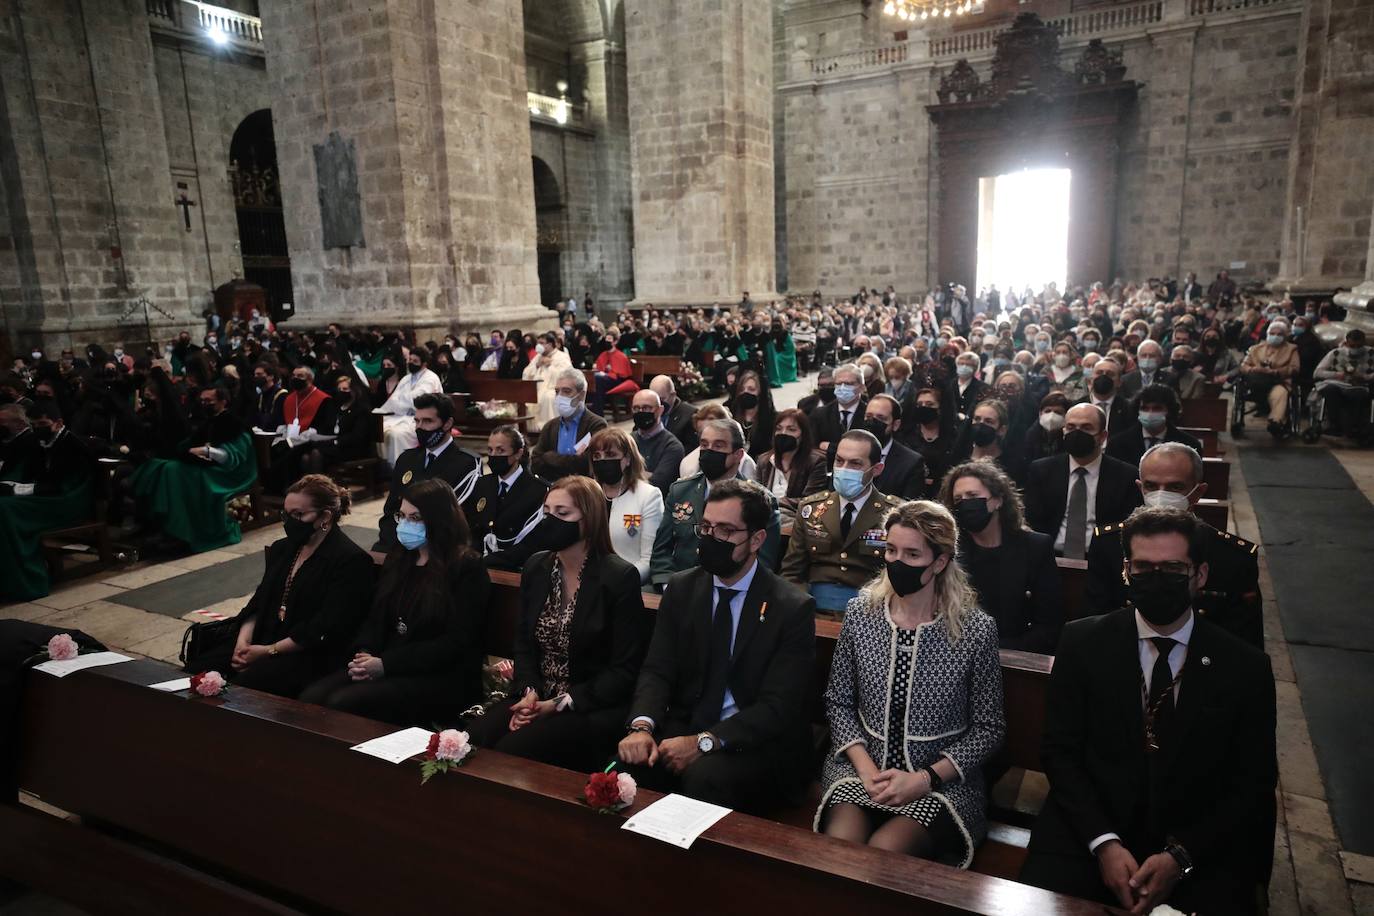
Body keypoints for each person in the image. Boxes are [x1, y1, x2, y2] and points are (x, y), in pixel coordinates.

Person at [1022, 507, 1277, 915]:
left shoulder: (1243, 666)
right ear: (1126, 571)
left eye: (1173, 568)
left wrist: (1180, 856)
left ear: (1201, 575)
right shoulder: (1083, 642)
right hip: (1089, 829)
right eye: (1143, 567)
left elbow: (1254, 780)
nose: (1157, 579)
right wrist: (1104, 842)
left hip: (1195, 840)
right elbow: (1060, 752)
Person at [817, 500, 1005, 866]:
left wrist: (923, 779)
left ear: (940, 561)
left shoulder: (975, 630)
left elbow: (989, 728)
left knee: (885, 853)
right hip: (861, 771)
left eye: (912, 554)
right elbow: (838, 701)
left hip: (939, 784)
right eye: (890, 550)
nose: (896, 562)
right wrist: (867, 770)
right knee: (842, 852)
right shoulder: (861, 612)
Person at [618, 479, 815, 811]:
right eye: (706, 527)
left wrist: (705, 742)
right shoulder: (682, 588)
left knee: (705, 778)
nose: (712, 539)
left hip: (754, 739)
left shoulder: (790, 607)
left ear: (756, 539)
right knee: (630, 765)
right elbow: (658, 669)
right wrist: (642, 726)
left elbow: (778, 706)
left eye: (725, 531)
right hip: (691, 720)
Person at [468, 476, 649, 771]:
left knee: (509, 753)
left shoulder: (618, 578)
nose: (550, 520)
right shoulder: (537, 566)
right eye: (547, 511)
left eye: (562, 514)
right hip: (538, 696)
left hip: (587, 705)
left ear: (588, 520)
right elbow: (524, 643)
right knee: (472, 740)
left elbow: (624, 670)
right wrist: (529, 692)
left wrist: (557, 704)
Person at [300, 479, 492, 724]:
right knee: (312, 698)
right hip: (388, 663)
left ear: (438, 520)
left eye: (415, 518)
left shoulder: (466, 567)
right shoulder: (401, 557)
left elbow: (457, 642)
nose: (405, 524)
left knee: (344, 703)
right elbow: (376, 616)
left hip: (440, 676)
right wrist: (364, 652)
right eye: (402, 516)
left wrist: (386, 664)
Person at [210, 476, 375, 697]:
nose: (290, 522)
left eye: (299, 515)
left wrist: (268, 651)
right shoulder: (283, 549)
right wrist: (243, 641)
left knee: (244, 687)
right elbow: (260, 601)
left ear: (325, 516)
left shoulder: (349, 560)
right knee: (203, 665)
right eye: (286, 515)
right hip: (267, 637)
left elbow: (326, 626)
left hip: (309, 652)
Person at [1086, 442, 1261, 646]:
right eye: (1151, 486)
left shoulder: (1233, 558)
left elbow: (1244, 646)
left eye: (1175, 487)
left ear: (1198, 492)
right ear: (1140, 488)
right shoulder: (1109, 544)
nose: (1161, 495)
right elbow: (1096, 622)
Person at [940, 461, 1062, 654]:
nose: (965, 503)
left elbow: (1049, 626)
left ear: (997, 500)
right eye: (958, 500)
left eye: (973, 496)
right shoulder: (950, 552)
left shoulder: (1035, 547)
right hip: (960, 655)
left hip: (1019, 657)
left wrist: (1001, 653)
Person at [781, 431, 904, 614]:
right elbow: (792, 572)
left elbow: (897, 577)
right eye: (839, 461)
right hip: (812, 604)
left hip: (869, 607)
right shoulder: (811, 508)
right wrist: (800, 609)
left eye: (855, 463)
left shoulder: (894, 514)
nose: (844, 469)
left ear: (876, 469)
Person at [652, 418, 781, 589]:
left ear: (738, 455)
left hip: (732, 588)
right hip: (679, 583)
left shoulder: (760, 500)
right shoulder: (680, 490)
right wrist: (668, 583)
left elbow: (763, 561)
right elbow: (661, 549)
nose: (709, 451)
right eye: (704, 445)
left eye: (718, 446)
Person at [130, 384, 258, 553]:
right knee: (161, 467)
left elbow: (234, 457)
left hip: (228, 474)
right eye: (202, 401)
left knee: (173, 471)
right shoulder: (209, 422)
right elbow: (190, 442)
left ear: (223, 401)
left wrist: (207, 451)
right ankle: (164, 525)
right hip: (206, 467)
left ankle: (183, 531)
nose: (204, 404)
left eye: (209, 401)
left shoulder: (234, 424)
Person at [0, 402, 96, 602]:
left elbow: (66, 486)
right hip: (46, 497)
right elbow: (32, 474)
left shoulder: (74, 445)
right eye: (34, 425)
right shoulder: (38, 442)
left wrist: (19, 489)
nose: (38, 429)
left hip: (67, 502)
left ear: (58, 422)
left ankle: (27, 580)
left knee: (5, 509)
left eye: (42, 423)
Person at [1023, 403, 1142, 560]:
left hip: (1103, 559)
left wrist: (1101, 537)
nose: (1077, 433)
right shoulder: (1042, 470)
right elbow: (1034, 519)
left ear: (1103, 436)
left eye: (1086, 428)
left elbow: (1124, 524)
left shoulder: (1126, 475)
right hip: (1049, 556)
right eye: (1071, 427)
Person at [374, 393, 479, 552]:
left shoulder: (465, 463)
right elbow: (391, 511)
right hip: (399, 544)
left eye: (428, 421)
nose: (419, 427)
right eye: (417, 420)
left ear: (447, 423)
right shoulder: (406, 459)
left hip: (439, 549)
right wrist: (391, 545)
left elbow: (456, 520)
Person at [464, 425, 549, 569]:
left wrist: (490, 560)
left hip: (516, 567)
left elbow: (532, 542)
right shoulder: (482, 484)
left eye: (500, 450)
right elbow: (472, 527)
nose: (494, 455)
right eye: (490, 450)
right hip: (478, 566)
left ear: (518, 453)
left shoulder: (537, 490)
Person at [589, 427, 664, 584]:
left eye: (610, 455)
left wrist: (620, 581)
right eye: (597, 456)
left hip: (626, 582)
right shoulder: (587, 494)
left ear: (628, 459)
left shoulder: (648, 496)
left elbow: (648, 560)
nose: (602, 460)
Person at [266, 366, 338, 492]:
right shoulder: (290, 398)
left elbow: (326, 427)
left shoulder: (324, 400)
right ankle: (272, 489)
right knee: (272, 451)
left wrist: (298, 439)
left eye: (300, 376)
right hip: (292, 439)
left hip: (315, 441)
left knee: (290, 454)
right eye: (293, 375)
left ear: (310, 379)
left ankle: (289, 490)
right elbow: (284, 422)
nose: (295, 378)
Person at [530, 368, 607, 481]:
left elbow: (587, 463)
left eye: (566, 391)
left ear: (581, 395)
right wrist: (570, 461)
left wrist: (550, 457)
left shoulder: (596, 425)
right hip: (554, 487)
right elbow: (536, 462)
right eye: (557, 391)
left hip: (584, 488)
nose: (560, 396)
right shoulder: (550, 426)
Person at [753, 407, 828, 521]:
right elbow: (756, 494)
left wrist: (774, 501)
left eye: (791, 430)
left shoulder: (816, 461)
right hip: (765, 517)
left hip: (797, 518)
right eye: (779, 429)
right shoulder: (764, 460)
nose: (783, 433)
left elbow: (811, 500)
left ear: (803, 435)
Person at [1106, 385, 1202, 468]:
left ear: (1169, 411)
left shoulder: (1189, 445)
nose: (1150, 413)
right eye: (1144, 408)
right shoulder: (1117, 444)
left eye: (1157, 408)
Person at [377, 347, 443, 466]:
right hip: (401, 416)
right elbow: (394, 399)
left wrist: (403, 402)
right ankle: (383, 466)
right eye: (410, 360)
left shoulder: (430, 378)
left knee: (395, 434)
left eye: (415, 361)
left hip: (422, 420)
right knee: (378, 428)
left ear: (424, 364)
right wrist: (402, 403)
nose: (411, 363)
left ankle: (400, 466)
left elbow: (418, 401)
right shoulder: (406, 378)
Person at [1239, 319, 1299, 437]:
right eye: (1272, 333)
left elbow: (1294, 368)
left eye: (1279, 334)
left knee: (1280, 394)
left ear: (1285, 335)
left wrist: (1275, 371)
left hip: (1278, 381)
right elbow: (1243, 365)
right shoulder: (1255, 348)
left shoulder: (1292, 349)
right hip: (1257, 381)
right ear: (1268, 334)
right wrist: (1253, 369)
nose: (1275, 336)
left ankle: (1276, 422)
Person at [1312, 328, 1374, 441]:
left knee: (1358, 395)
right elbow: (1318, 372)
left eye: (1358, 346)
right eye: (1352, 346)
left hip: (1360, 385)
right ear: (1346, 343)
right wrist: (1336, 374)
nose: (1355, 349)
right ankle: (1334, 425)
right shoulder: (1336, 353)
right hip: (1337, 383)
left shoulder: (1371, 354)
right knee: (1330, 391)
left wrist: (1364, 377)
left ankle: (1356, 427)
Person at [864, 395, 926, 500]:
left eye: (881, 418)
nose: (873, 422)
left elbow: (909, 507)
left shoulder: (911, 462)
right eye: (869, 417)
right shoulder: (848, 452)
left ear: (895, 425)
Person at [677, 403, 758, 480]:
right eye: (702, 433)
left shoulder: (746, 462)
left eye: (718, 445)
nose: (710, 449)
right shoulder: (687, 463)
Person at [629, 388, 685, 495]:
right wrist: (646, 474)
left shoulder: (672, 446)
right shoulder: (628, 440)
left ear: (660, 410)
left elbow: (658, 483)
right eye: (636, 408)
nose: (641, 412)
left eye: (646, 408)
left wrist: (630, 474)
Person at [809, 363, 867, 455]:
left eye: (849, 384)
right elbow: (814, 448)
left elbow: (866, 450)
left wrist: (830, 447)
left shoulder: (869, 414)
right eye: (839, 384)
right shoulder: (820, 414)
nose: (842, 388)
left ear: (862, 387)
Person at [650, 374, 698, 452]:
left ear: (673, 395)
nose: (658, 403)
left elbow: (692, 448)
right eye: (654, 399)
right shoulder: (647, 410)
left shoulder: (689, 414)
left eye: (661, 399)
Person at [1087, 358, 1129, 435]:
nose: (1103, 377)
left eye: (1110, 374)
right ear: (1090, 379)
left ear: (1119, 382)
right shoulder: (1077, 406)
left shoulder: (1129, 408)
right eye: (1099, 373)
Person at [944, 351, 989, 423]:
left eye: (968, 365)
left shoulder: (983, 388)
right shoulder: (947, 385)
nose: (964, 367)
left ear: (975, 368)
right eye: (961, 364)